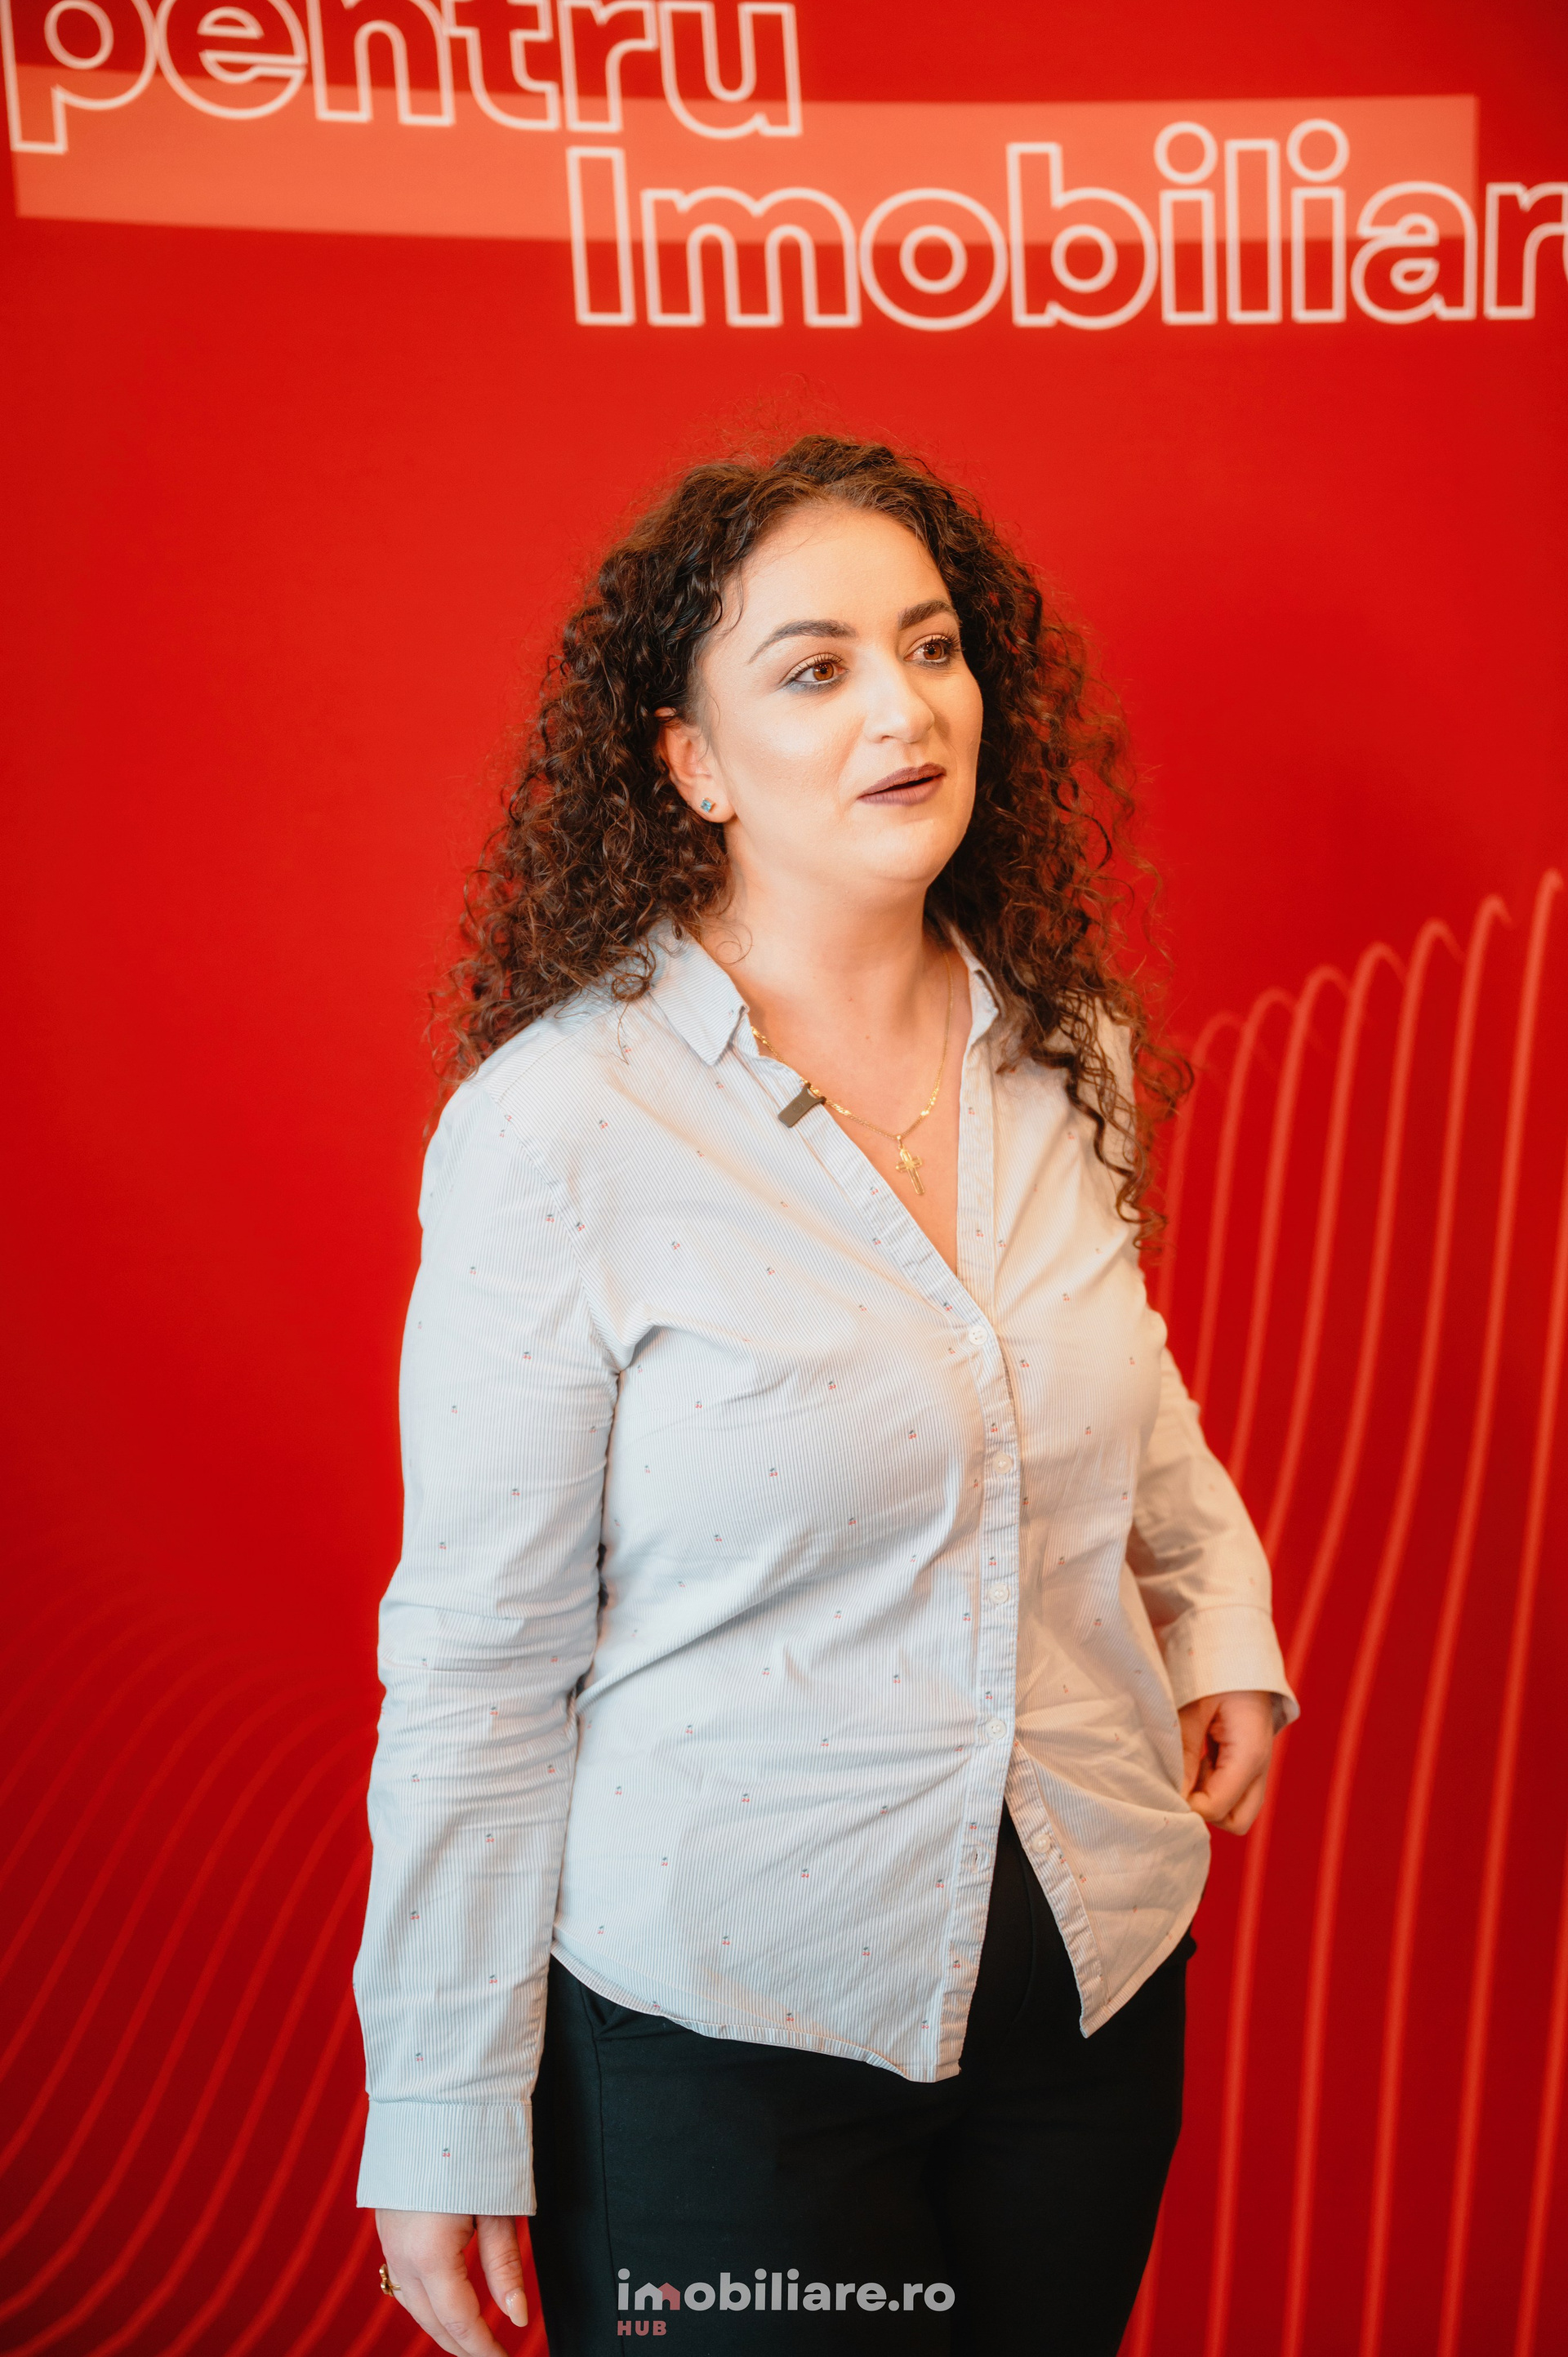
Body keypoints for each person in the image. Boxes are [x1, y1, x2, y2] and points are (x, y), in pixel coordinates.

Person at [354, 434, 1296, 2356]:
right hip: (728, 2050)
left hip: (1091, 1992)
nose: (904, 708)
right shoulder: (560, 1123)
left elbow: (1113, 1373)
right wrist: (439, 2102)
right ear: (690, 763)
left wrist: (1219, 1614)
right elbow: (475, 1660)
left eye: (932, 647)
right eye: (815, 669)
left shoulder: (1060, 1049)